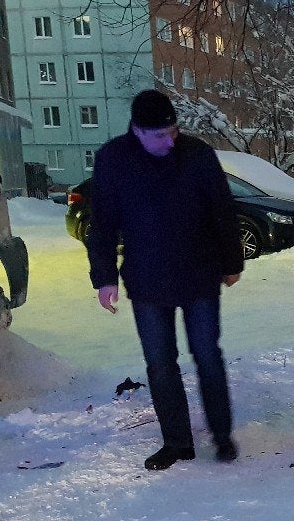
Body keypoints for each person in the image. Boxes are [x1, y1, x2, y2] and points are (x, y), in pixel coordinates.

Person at [87, 89, 244, 470]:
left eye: (173, 132)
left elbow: (223, 211)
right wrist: (104, 277)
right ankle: (177, 442)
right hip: (146, 279)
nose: (169, 141)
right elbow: (103, 223)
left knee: (208, 356)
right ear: (137, 131)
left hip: (199, 274)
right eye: (159, 135)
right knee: (160, 363)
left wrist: (231, 261)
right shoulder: (114, 160)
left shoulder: (197, 155)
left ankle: (222, 436)